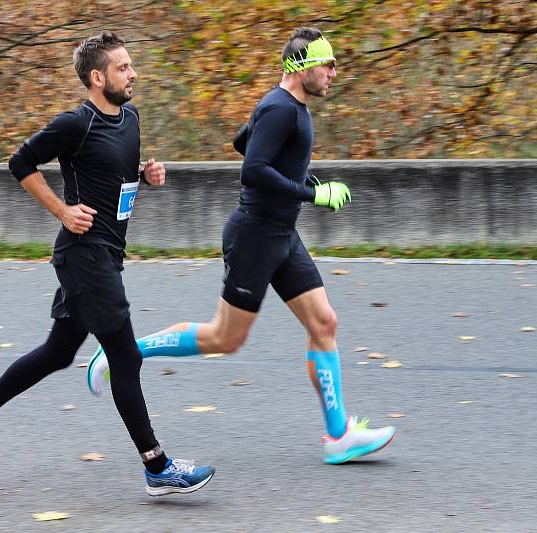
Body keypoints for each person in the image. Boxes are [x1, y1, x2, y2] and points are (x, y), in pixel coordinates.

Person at [87, 27, 395, 465]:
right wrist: (314, 194)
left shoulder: (287, 108)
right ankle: (122, 352)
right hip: (255, 236)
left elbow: (242, 142)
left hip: (281, 234)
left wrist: (304, 180)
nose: (333, 71)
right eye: (327, 63)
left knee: (325, 322)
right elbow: (252, 169)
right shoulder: (280, 109)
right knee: (225, 338)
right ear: (301, 66)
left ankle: (339, 435)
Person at [0, 31, 214, 496]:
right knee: (126, 357)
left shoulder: (130, 118)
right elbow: (21, 162)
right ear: (97, 77)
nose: (133, 74)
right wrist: (62, 211)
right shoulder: (76, 123)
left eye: (131, 65)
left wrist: (145, 177)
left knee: (58, 352)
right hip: (83, 256)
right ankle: (157, 466)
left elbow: (115, 177)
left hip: (107, 254)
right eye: (123, 67)